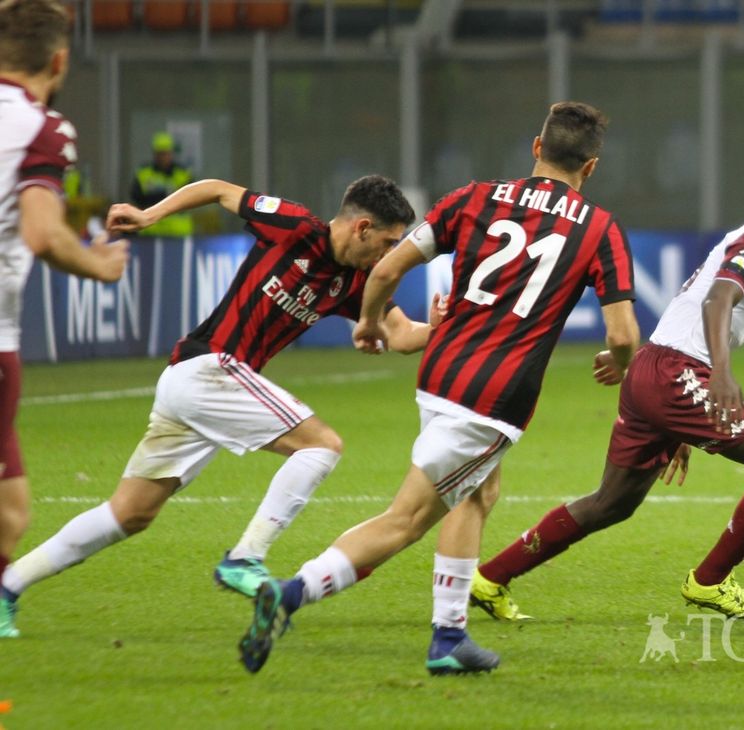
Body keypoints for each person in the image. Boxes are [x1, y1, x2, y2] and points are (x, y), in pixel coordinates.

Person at [237, 101, 639, 676]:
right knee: (407, 519)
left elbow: (383, 271)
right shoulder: (599, 229)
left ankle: (449, 637)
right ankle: (293, 592)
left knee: (478, 492)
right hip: (493, 398)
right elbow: (623, 332)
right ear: (591, 167)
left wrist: (371, 321)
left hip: (441, 375)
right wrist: (618, 362)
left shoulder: (471, 198)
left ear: (535, 148)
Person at [0, 174, 439, 637]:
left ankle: (8, 586)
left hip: (202, 385)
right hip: (209, 368)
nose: (392, 256)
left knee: (129, 513)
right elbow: (216, 189)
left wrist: (443, 328)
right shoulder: (295, 227)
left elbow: (403, 335)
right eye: (389, 243)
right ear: (362, 227)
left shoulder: (358, 283)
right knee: (321, 445)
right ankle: (245, 558)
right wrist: (151, 214)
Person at [469, 146, 744, 622]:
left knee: (611, 503)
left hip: (658, 372)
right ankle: (710, 582)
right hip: (677, 373)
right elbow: (717, 300)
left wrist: (678, 420)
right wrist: (718, 376)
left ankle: (491, 577)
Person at [0, 0, 130, 638]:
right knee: (10, 512)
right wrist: (99, 265)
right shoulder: (40, 130)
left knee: (11, 504)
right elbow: (43, 233)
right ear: (59, 60)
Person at [129, 131, 194, 237]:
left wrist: (155, 195)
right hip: (150, 231)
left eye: (166, 153)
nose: (163, 157)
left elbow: (190, 199)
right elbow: (137, 197)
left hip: (178, 232)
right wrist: (167, 194)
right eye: (160, 153)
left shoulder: (183, 174)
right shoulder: (143, 173)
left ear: (171, 153)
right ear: (155, 154)